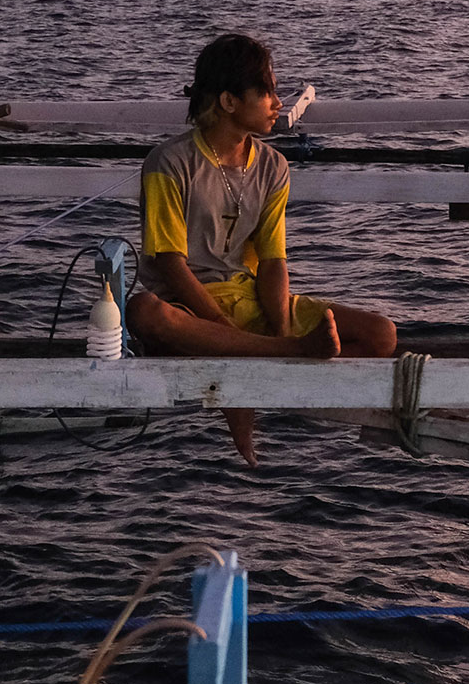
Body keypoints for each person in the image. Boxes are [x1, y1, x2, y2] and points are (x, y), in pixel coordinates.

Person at [129, 32, 396, 465]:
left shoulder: (273, 166)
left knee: (381, 334)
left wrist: (280, 325)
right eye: (266, 91)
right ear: (229, 102)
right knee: (143, 311)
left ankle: (258, 367)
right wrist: (231, 330)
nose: (277, 103)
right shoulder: (169, 162)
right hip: (192, 309)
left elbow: (273, 263)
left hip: (247, 299)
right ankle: (277, 360)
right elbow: (171, 265)